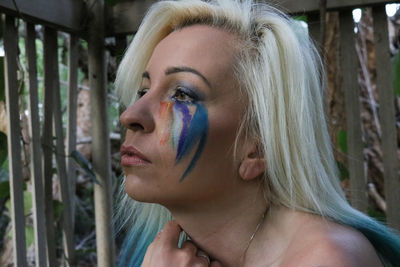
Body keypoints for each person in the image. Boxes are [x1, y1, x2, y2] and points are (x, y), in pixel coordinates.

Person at [114, 0, 400, 266]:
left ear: (258, 148)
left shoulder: (326, 258)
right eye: (143, 90)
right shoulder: (161, 250)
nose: (131, 116)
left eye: (182, 94)